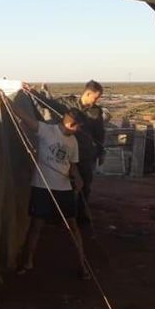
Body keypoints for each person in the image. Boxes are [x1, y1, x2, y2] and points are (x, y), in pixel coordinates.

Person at [0, 91, 88, 277]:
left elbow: (72, 165)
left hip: (64, 188)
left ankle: (83, 263)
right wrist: (6, 101)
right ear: (69, 123)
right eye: (76, 127)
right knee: (36, 226)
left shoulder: (73, 142)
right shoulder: (47, 130)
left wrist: (77, 179)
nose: (77, 131)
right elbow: (25, 117)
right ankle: (28, 261)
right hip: (42, 187)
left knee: (73, 226)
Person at [41, 80, 106, 224]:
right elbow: (47, 103)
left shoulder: (96, 112)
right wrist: (32, 92)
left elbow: (99, 134)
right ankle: (61, 215)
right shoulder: (67, 104)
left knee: (84, 184)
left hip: (84, 154)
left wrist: (101, 152)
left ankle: (81, 215)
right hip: (65, 153)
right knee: (63, 184)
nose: (96, 100)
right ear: (88, 93)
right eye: (95, 97)